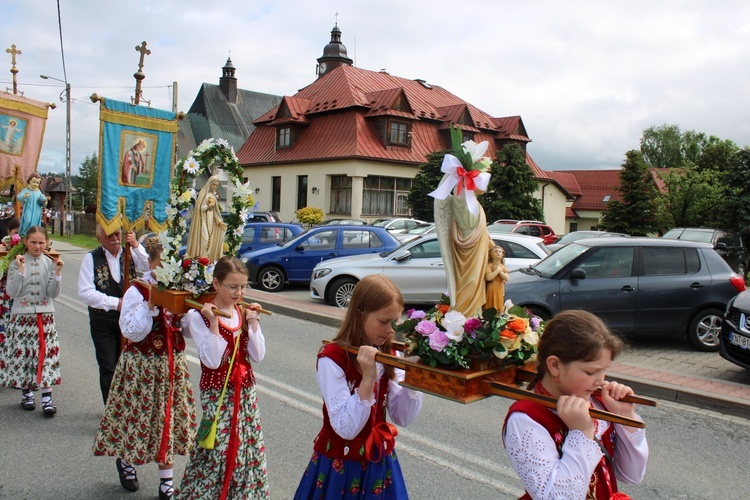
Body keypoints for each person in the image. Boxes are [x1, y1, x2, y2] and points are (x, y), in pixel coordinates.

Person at [294, 274, 423, 499]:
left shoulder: (389, 353)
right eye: (383, 321)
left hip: (378, 458)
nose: (391, 330)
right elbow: (346, 428)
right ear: (360, 314)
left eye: (394, 321)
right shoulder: (332, 359)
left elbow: (403, 418)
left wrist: (414, 381)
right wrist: (368, 379)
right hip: (342, 463)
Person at [502, 310, 649, 499]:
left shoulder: (598, 401)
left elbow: (631, 475)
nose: (600, 381)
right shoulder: (526, 418)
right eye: (590, 372)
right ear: (555, 365)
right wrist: (581, 433)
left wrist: (625, 418)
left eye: (604, 370)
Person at [93, 237, 196, 499]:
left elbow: (186, 332)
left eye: (171, 265)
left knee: (168, 422)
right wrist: (150, 307)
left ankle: (166, 482)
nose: (166, 270)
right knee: (137, 419)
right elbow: (130, 331)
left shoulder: (178, 289)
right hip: (141, 366)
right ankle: (127, 461)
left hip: (171, 365)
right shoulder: (136, 291)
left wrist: (186, 317)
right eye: (161, 264)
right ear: (150, 263)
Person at [174, 256, 268, 499]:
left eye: (244, 286)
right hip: (217, 391)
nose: (239, 292)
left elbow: (257, 356)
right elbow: (212, 361)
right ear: (216, 284)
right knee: (220, 449)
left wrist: (254, 322)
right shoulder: (200, 316)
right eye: (233, 287)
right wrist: (214, 323)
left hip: (245, 390)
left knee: (247, 446)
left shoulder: (243, 312)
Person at [78, 225, 150, 404]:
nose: (114, 238)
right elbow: (86, 292)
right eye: (109, 235)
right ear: (98, 237)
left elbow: (150, 266)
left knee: (129, 365)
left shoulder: (130, 253)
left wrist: (136, 246)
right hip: (103, 320)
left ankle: (126, 408)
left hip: (128, 320)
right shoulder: (91, 258)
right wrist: (116, 303)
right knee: (109, 366)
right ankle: (111, 411)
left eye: (117, 234)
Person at [0, 226, 64, 416]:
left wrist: (58, 273)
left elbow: (53, 293)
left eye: (41, 242)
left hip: (44, 315)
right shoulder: (16, 263)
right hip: (22, 315)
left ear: (47, 244)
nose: (37, 246)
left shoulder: (51, 263)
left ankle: (47, 397)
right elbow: (11, 292)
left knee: (45, 355)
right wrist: (20, 270)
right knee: (25, 354)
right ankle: (27, 393)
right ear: (25, 242)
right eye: (33, 242)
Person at [185, 175, 227, 262]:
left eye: (216, 185)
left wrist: (219, 222)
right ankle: (200, 258)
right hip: (202, 221)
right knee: (205, 239)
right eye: (213, 185)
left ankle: (205, 259)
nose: (214, 187)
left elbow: (215, 211)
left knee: (210, 241)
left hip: (210, 223)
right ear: (209, 184)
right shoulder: (203, 194)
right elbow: (199, 208)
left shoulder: (212, 195)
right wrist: (208, 206)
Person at [0, 217, 21, 347]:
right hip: (5, 294)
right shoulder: (3, 248)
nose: (18, 237)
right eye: (16, 233)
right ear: (9, 232)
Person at [484, 245, 510, 311]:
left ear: (502, 255)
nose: (498, 253)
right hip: (491, 288)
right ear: (491, 255)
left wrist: (500, 271)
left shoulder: (502, 267)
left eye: (500, 251)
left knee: (499, 305)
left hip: (500, 288)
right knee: (491, 304)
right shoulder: (489, 266)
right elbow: (488, 277)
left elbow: (507, 278)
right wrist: (497, 270)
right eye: (495, 251)